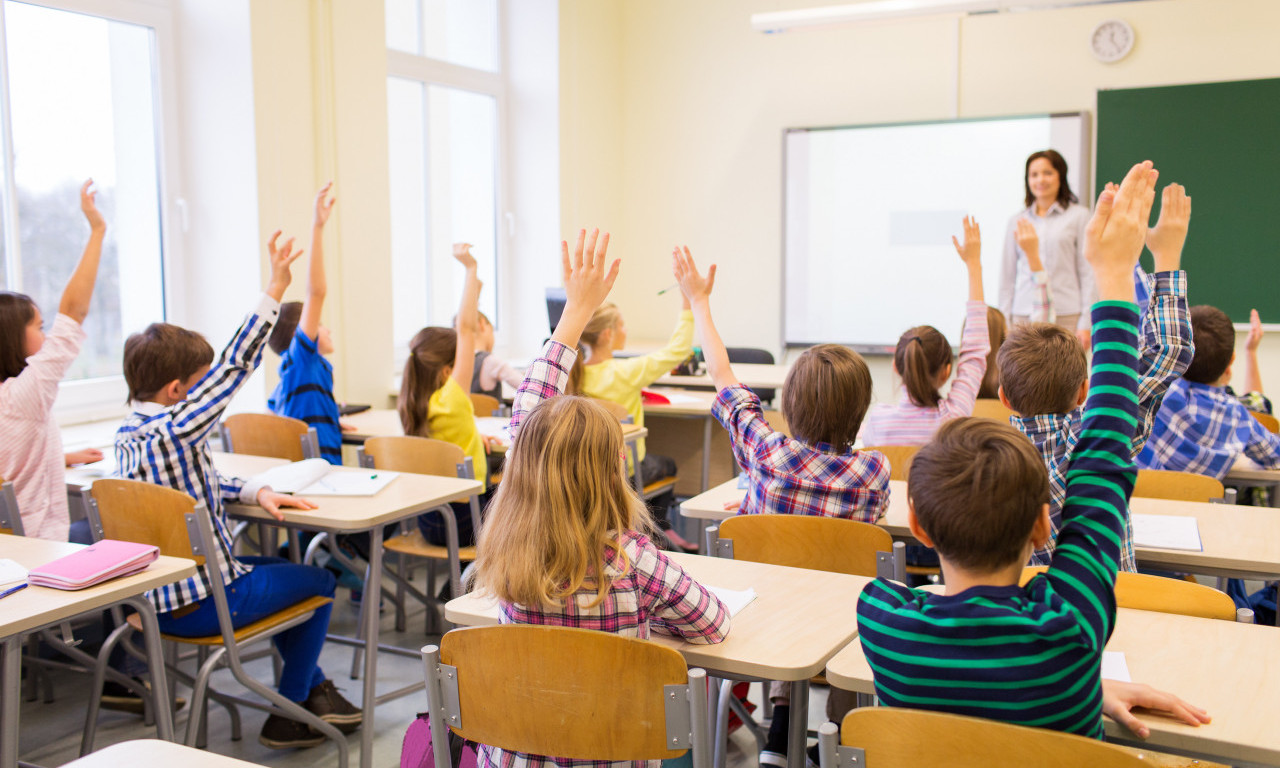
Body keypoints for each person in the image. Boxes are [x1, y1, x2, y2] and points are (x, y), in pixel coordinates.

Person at [856, 160, 1210, 739]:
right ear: (1046, 526)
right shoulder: (1073, 629)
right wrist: (1123, 275)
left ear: (917, 524)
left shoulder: (882, 620)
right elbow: (1104, 454)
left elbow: (1103, 456)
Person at [471, 228, 729, 768]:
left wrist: (575, 310)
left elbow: (529, 419)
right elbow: (712, 625)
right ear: (615, 471)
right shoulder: (632, 559)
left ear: (524, 468)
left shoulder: (506, 558)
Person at [115, 231, 361, 749]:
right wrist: (274, 287)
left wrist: (253, 490)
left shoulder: (130, 437)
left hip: (153, 602)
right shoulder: (176, 428)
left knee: (280, 573)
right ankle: (290, 709)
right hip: (206, 600)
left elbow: (191, 484)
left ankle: (311, 690)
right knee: (318, 582)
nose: (210, 393)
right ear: (179, 391)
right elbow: (234, 366)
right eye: (199, 386)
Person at [671, 245, 887, 767]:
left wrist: (700, 303)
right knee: (839, 607)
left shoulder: (767, 452)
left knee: (792, 585)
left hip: (765, 617)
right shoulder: (873, 471)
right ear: (861, 409)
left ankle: (781, 724)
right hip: (841, 624)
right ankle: (836, 735)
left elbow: (724, 379)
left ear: (789, 403)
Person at [999, 181, 1194, 571]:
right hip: (1109, 622)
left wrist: (1037, 265)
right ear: (1085, 392)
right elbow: (1168, 350)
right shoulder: (1100, 437)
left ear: (1003, 396)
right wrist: (1161, 256)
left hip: (1025, 625)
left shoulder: (985, 462)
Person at [0, 180, 104, 542]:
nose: (46, 336)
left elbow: (10, 468)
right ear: (13, 337)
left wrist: (62, 457)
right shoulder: (23, 395)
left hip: (12, 547)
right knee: (123, 525)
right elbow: (73, 312)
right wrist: (97, 230)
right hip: (42, 545)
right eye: (39, 327)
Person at [572, 280, 698, 550]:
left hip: (588, 469)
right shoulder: (626, 373)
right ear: (607, 334)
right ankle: (661, 529)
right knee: (667, 464)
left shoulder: (575, 376)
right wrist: (687, 302)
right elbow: (677, 351)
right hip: (625, 470)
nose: (625, 330)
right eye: (622, 325)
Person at [860, 216, 988, 447]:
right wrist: (973, 264)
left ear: (896, 368)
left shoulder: (878, 421)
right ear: (946, 371)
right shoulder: (952, 419)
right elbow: (975, 351)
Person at [399, 243, 496, 547]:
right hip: (468, 521)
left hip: (429, 520)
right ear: (446, 372)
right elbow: (465, 329)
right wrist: (470, 268)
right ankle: (472, 581)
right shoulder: (452, 399)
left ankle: (457, 580)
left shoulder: (412, 404)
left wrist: (473, 441)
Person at [1138, 304, 1280, 479]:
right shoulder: (1238, 416)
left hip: (1138, 499)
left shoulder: (1155, 391)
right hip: (1197, 504)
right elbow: (1276, 456)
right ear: (1232, 360)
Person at [267, 182, 347, 465]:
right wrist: (317, 227)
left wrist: (332, 420)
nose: (327, 329)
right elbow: (317, 292)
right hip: (321, 474)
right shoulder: (303, 363)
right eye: (320, 325)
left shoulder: (290, 376)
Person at [999, 149, 1092, 345]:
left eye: (1047, 173)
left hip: (1066, 313)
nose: (1040, 179)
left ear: (1061, 176)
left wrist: (1086, 322)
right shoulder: (1017, 220)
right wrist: (1004, 320)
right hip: (1023, 314)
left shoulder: (1079, 216)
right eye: (1034, 174)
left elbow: (1087, 272)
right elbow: (1007, 276)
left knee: (1066, 374)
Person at [470, 311, 522, 401]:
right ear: (482, 324)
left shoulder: (457, 362)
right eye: (492, 332)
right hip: (489, 415)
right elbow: (528, 386)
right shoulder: (490, 361)